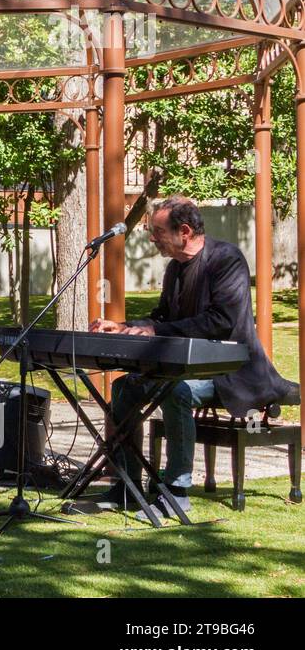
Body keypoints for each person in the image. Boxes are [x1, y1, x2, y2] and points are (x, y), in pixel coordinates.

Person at [91, 196, 295, 516]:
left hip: (231, 373)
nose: (151, 237)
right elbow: (161, 318)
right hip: (185, 367)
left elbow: (220, 320)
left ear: (184, 231)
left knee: (176, 391)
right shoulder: (174, 269)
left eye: (156, 231)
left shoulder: (226, 259)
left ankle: (176, 491)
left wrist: (156, 332)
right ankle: (128, 486)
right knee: (123, 388)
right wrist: (124, 327)